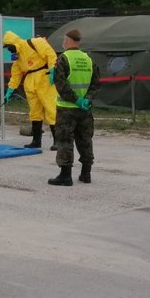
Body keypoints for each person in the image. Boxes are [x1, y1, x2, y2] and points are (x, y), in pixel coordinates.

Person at [49, 28, 100, 186]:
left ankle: (65, 176)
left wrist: (76, 100)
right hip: (85, 110)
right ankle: (86, 174)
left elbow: (61, 86)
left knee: (65, 139)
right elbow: (95, 84)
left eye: (64, 41)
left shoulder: (63, 59)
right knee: (85, 139)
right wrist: (87, 100)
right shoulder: (88, 59)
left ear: (66, 41)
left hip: (66, 109)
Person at [3, 31, 58, 149]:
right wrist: (10, 90)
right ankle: (36, 141)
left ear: (13, 43)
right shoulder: (18, 59)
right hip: (30, 82)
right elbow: (16, 75)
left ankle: (58, 141)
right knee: (34, 112)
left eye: (8, 47)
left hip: (44, 79)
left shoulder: (35, 42)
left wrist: (53, 68)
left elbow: (50, 53)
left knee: (51, 109)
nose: (8, 50)